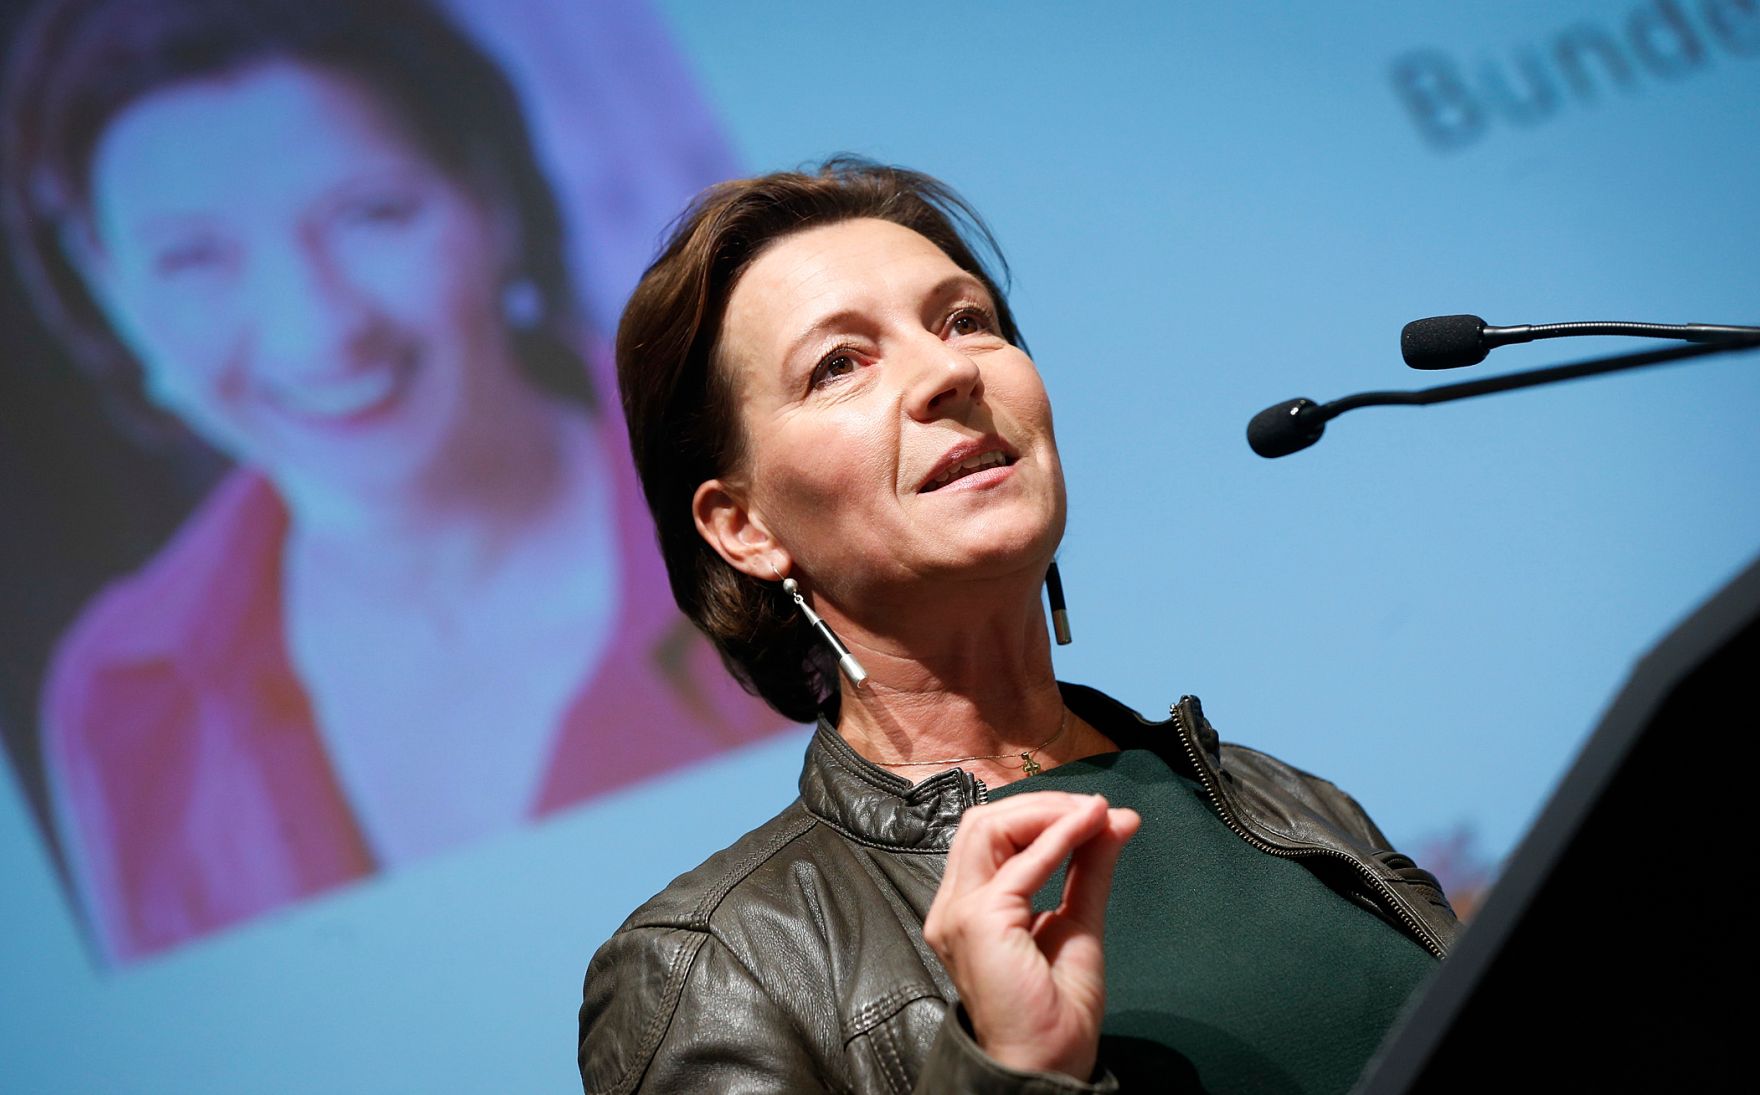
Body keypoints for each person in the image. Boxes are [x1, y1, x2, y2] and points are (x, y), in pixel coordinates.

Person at [578, 160, 1461, 1093]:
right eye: (840, 364)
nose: (949, 370)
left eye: (966, 320)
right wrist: (1010, 1072)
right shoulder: (716, 965)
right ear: (744, 528)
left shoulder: (1280, 799)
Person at [0, 0, 781, 964]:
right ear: (107, 285)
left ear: (490, 198)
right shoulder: (121, 689)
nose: (315, 329)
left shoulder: (789, 505)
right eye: (192, 257)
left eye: (372, 214)